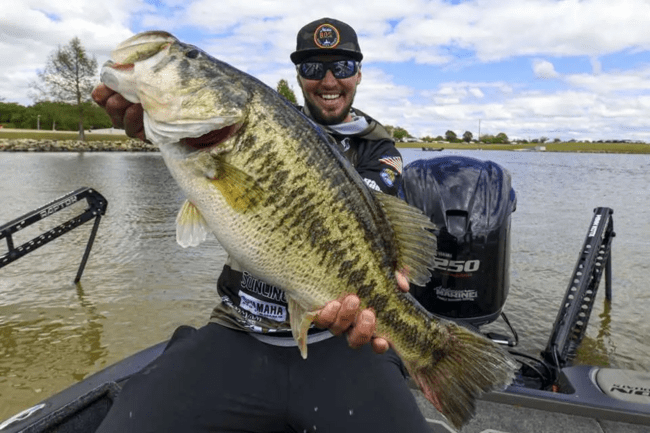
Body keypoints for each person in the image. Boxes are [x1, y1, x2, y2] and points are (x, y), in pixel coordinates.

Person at [92, 18, 432, 433]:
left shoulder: (379, 149)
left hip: (340, 344)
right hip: (238, 327)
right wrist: (160, 128)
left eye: (341, 68)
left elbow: (360, 219)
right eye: (312, 68)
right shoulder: (256, 123)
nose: (328, 80)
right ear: (298, 76)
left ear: (358, 74)